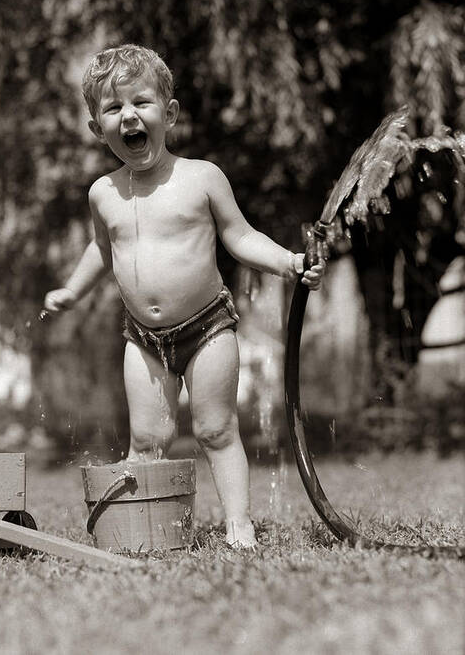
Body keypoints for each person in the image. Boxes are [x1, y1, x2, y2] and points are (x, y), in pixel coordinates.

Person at [44, 44, 325, 547]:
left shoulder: (200, 178)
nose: (129, 116)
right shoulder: (103, 193)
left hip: (207, 327)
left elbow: (240, 237)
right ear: (96, 128)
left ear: (168, 114)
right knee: (147, 441)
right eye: (113, 109)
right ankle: (149, 531)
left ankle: (239, 523)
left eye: (141, 103)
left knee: (216, 430)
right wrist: (71, 289)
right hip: (143, 337)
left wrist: (288, 261)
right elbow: (101, 248)